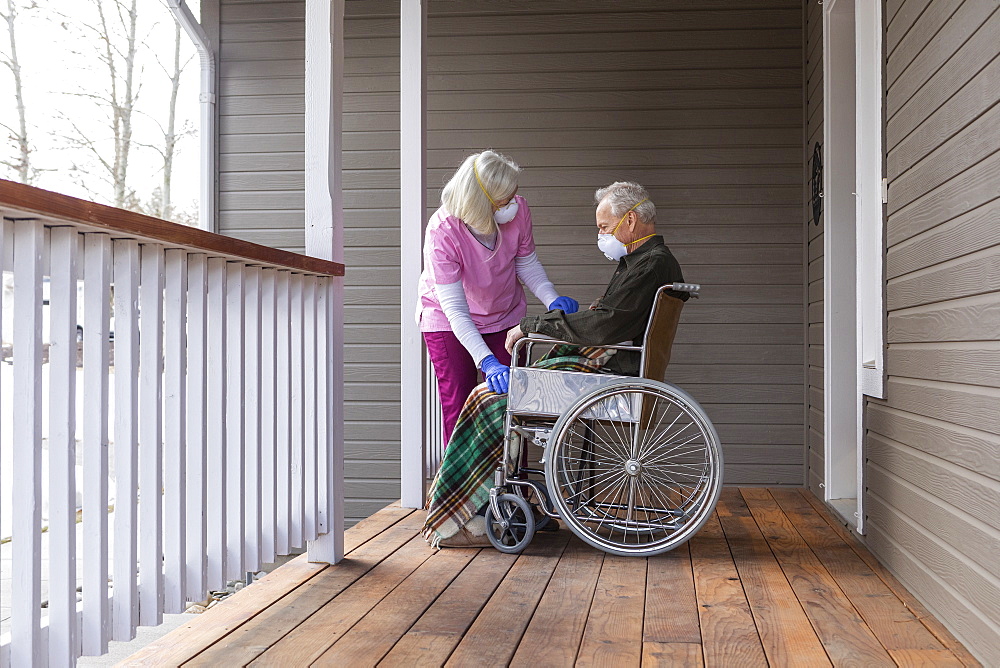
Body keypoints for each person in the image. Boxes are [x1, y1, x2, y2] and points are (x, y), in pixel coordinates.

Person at [423, 181, 688, 548]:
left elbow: (603, 327)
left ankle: (464, 513)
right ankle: (483, 506)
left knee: (486, 401)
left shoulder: (650, 264)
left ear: (630, 221)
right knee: (493, 395)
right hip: (619, 366)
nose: (600, 236)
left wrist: (531, 325)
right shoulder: (649, 262)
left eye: (604, 227)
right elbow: (610, 319)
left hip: (609, 372)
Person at [417, 150, 578, 448]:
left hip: (504, 315)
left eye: (514, 196)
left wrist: (551, 299)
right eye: (504, 200)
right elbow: (455, 309)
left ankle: (510, 487)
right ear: (481, 202)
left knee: (513, 406)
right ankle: (463, 491)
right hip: (448, 321)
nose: (512, 205)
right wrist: (487, 362)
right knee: (461, 406)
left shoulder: (519, 210)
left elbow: (526, 262)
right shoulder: (443, 230)